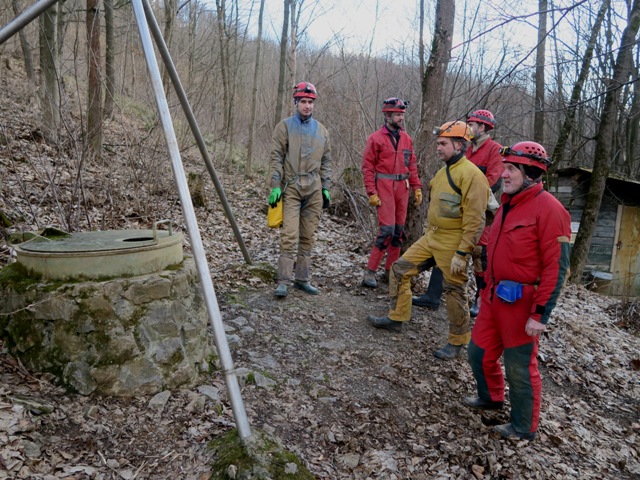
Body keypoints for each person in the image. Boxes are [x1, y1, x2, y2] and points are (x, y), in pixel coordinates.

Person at [463, 141, 571, 441]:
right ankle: (491, 397)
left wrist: (540, 314)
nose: (504, 174)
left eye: (511, 169)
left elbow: (557, 268)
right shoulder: (506, 203)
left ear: (532, 173)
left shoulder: (551, 210)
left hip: (523, 304)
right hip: (493, 297)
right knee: (478, 353)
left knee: (520, 367)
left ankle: (524, 426)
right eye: (505, 168)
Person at [367, 121, 489, 360]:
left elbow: (475, 221)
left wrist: (462, 253)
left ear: (459, 145)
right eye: (439, 143)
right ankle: (397, 317)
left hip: (454, 240)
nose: (438, 148)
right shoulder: (443, 172)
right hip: (433, 235)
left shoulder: (472, 176)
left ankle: (457, 340)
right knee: (400, 269)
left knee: (454, 289)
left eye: (443, 144)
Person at [412, 109, 503, 314]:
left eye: (473, 124)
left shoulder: (494, 150)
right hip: (455, 211)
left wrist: (468, 195)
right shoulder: (465, 149)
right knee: (443, 248)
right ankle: (432, 296)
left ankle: (480, 300)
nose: (469, 127)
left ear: (484, 127)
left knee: (480, 256)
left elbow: (493, 182)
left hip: (478, 210)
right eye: (468, 123)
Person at [268, 81, 332, 298]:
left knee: (308, 236)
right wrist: (275, 186)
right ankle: (283, 280)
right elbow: (276, 157)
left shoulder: (322, 131)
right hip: (292, 188)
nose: (307, 106)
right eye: (303, 101)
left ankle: (302, 279)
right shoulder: (284, 126)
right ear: (296, 102)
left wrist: (326, 187)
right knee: (289, 235)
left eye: (311, 102)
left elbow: (326, 161)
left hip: (313, 189)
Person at [361, 98, 422, 288]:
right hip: (384, 187)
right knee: (386, 231)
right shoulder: (375, 138)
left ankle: (390, 272)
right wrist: (371, 191)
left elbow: (411, 165)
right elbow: (367, 167)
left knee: (398, 232)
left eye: (402, 115)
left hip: (402, 188)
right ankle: (370, 272)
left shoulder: (407, 139)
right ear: (387, 115)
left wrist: (416, 187)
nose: (401, 118)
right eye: (397, 115)